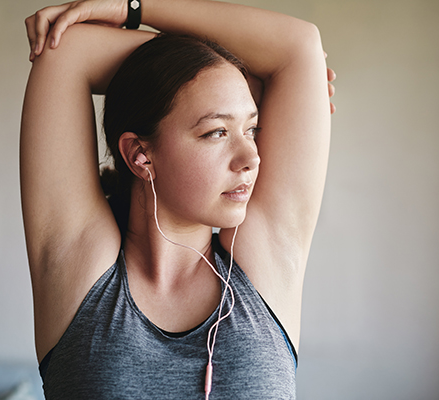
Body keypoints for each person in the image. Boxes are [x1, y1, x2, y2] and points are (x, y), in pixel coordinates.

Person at [21, 0, 334, 398]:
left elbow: (299, 46)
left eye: (252, 129)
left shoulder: (264, 260)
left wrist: (132, 8)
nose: (251, 158)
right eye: (216, 132)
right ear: (140, 154)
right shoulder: (77, 267)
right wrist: (238, 72)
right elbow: (65, 50)